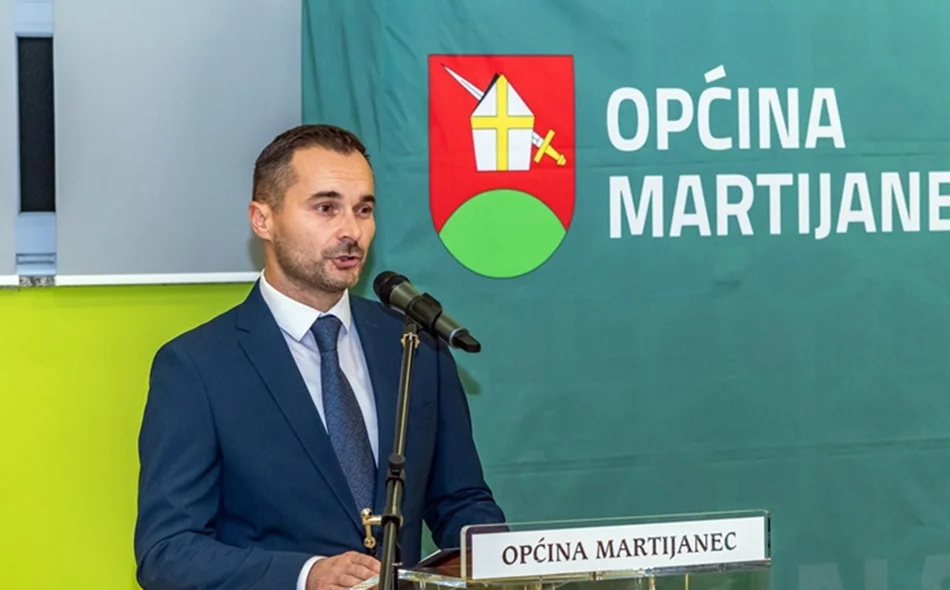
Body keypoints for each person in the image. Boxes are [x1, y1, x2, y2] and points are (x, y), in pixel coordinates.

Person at [133, 124, 506, 590]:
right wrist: (305, 574)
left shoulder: (415, 345)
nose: (352, 231)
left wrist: (503, 560)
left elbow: (461, 501)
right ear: (262, 219)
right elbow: (168, 552)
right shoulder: (197, 367)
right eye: (326, 208)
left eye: (363, 209)